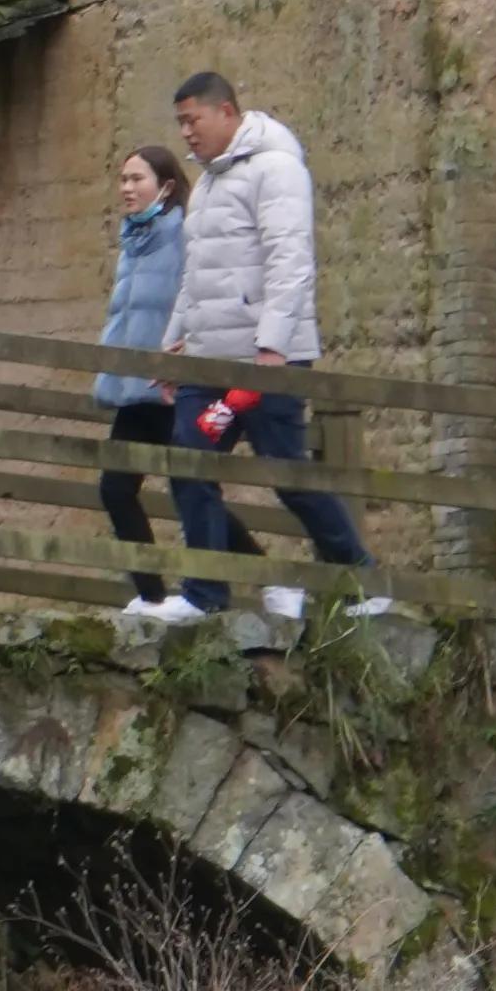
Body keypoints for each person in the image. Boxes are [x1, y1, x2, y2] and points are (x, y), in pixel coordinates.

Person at [159, 70, 374, 622]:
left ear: (226, 112)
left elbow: (290, 258)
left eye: (193, 120)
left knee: (287, 474)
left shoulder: (276, 169)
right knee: (191, 460)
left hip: (259, 367)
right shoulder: (207, 183)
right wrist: (172, 348)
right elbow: (196, 274)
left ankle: (362, 581)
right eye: (180, 123)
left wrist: (273, 347)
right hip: (210, 365)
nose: (185, 132)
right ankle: (204, 595)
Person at [88, 142, 198, 607]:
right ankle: (151, 598)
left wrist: (187, 351)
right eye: (123, 179)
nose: (127, 188)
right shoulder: (131, 241)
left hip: (171, 388)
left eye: (137, 179)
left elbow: (199, 297)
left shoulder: (184, 235)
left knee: (192, 490)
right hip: (137, 390)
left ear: (166, 186)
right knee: (116, 488)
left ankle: (271, 577)